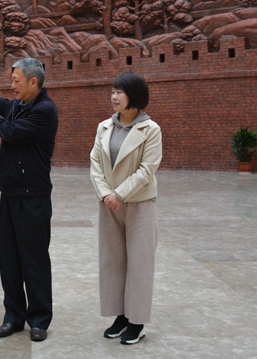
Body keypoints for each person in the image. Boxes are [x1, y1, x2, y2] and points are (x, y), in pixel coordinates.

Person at [0, 57, 58, 342]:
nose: (12, 86)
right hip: (9, 194)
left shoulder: (45, 110)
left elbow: (10, 133)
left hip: (33, 198)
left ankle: (39, 319)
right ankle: (13, 317)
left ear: (34, 82)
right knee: (9, 259)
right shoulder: (18, 105)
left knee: (34, 260)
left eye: (16, 80)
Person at [89, 72, 162, 345]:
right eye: (113, 91)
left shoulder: (150, 130)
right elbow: (95, 163)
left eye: (119, 92)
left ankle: (137, 322)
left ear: (135, 95)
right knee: (113, 261)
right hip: (109, 204)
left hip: (139, 203)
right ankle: (120, 316)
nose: (114, 96)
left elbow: (147, 169)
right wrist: (106, 194)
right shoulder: (104, 127)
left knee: (140, 264)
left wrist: (120, 193)